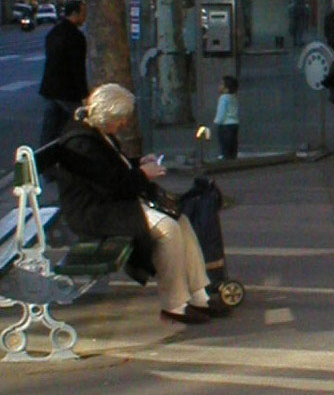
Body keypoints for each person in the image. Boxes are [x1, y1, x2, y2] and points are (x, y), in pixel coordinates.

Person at [53, 83, 228, 325]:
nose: (124, 124)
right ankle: (174, 304)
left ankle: (199, 294)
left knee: (181, 219)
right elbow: (112, 184)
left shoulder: (95, 131)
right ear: (106, 116)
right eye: (121, 119)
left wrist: (136, 164)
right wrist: (143, 174)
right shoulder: (82, 142)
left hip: (110, 203)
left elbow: (112, 171)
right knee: (168, 228)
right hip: (95, 213)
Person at [38, 0, 88, 149]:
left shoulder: (54, 32)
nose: (84, 17)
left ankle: (44, 160)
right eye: (83, 13)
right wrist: (84, 94)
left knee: (50, 128)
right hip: (68, 90)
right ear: (75, 13)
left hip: (50, 88)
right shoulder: (76, 36)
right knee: (80, 125)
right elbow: (77, 67)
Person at [214, 75, 239, 160]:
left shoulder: (223, 98)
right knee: (232, 142)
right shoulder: (233, 97)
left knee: (224, 142)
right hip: (234, 123)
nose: (219, 86)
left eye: (221, 84)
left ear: (226, 88)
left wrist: (217, 121)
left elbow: (221, 111)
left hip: (225, 125)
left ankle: (224, 156)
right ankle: (232, 156)